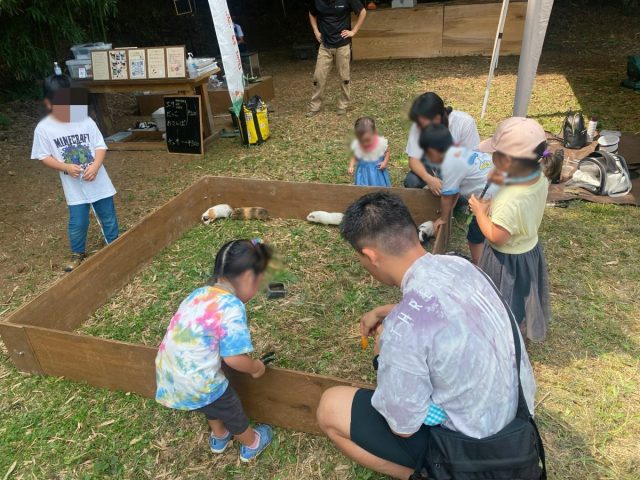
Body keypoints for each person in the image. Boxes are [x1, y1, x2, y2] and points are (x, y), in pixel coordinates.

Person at [316, 192, 536, 479]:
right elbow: (448, 310)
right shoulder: (460, 265)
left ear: (370, 256)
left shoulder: (401, 332)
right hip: (516, 423)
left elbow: (403, 427)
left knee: (330, 407)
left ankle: (430, 474)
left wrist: (381, 357)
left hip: (472, 452)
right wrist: (386, 311)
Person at [155, 239, 274, 462]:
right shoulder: (231, 306)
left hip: (170, 376)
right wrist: (256, 367)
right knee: (230, 407)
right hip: (199, 381)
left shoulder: (198, 294)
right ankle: (251, 443)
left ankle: (219, 435)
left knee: (210, 402)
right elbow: (234, 358)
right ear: (248, 277)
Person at [469, 117, 562, 342]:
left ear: (507, 160)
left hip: (507, 260)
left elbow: (497, 236)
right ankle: (518, 322)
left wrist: (480, 212)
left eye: (494, 153)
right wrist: (493, 206)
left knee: (504, 298)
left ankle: (506, 335)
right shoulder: (540, 174)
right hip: (529, 250)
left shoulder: (510, 199)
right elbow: (521, 209)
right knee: (521, 295)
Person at [30, 74, 118, 272]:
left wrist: (96, 165)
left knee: (108, 215)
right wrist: (66, 167)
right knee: (78, 221)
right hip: (74, 187)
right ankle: (77, 252)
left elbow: (100, 145)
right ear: (49, 103)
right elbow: (43, 156)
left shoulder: (85, 120)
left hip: (98, 180)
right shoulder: (44, 129)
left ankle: (114, 243)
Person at [418, 124, 496, 264]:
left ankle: (480, 266)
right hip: (498, 185)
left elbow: (447, 197)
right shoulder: (459, 152)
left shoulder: (451, 165)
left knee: (475, 234)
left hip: (489, 198)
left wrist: (443, 218)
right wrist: (448, 212)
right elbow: (454, 191)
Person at [403, 92, 480, 193]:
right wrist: (429, 179)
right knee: (412, 181)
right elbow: (413, 160)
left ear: (438, 117)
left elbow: (473, 159)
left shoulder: (465, 123)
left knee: (460, 193)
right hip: (431, 166)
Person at [307, 0, 367, 117]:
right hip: (325, 45)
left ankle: (342, 106)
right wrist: (316, 31)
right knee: (318, 77)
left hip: (342, 45)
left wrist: (353, 31)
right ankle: (315, 107)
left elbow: (363, 11)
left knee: (344, 78)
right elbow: (311, 13)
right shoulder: (318, 1)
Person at [348, 117, 391, 187]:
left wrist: (385, 162)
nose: (365, 143)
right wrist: (351, 166)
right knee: (363, 188)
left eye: (367, 140)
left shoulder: (380, 143)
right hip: (363, 172)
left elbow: (387, 151)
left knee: (379, 188)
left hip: (377, 172)